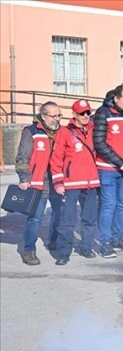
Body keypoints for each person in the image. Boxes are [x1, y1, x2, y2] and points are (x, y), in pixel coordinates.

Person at [93, 84, 123, 258]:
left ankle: (118, 238)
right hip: (108, 169)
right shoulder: (103, 113)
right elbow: (99, 143)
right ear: (116, 98)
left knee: (121, 205)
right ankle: (105, 242)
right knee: (109, 205)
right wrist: (121, 164)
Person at [49, 99, 99, 265]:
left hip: (91, 182)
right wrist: (58, 182)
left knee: (90, 219)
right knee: (68, 220)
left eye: (88, 113)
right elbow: (56, 158)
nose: (85, 116)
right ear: (74, 114)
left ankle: (86, 247)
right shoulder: (65, 132)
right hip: (71, 184)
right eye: (81, 113)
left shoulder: (94, 129)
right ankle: (64, 253)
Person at [15, 101, 63, 265]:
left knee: (59, 214)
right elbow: (22, 157)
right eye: (53, 115)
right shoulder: (32, 132)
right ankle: (29, 250)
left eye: (59, 115)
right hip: (37, 182)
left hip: (57, 181)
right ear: (43, 116)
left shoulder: (62, 132)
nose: (57, 119)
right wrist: (24, 178)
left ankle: (54, 242)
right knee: (35, 218)